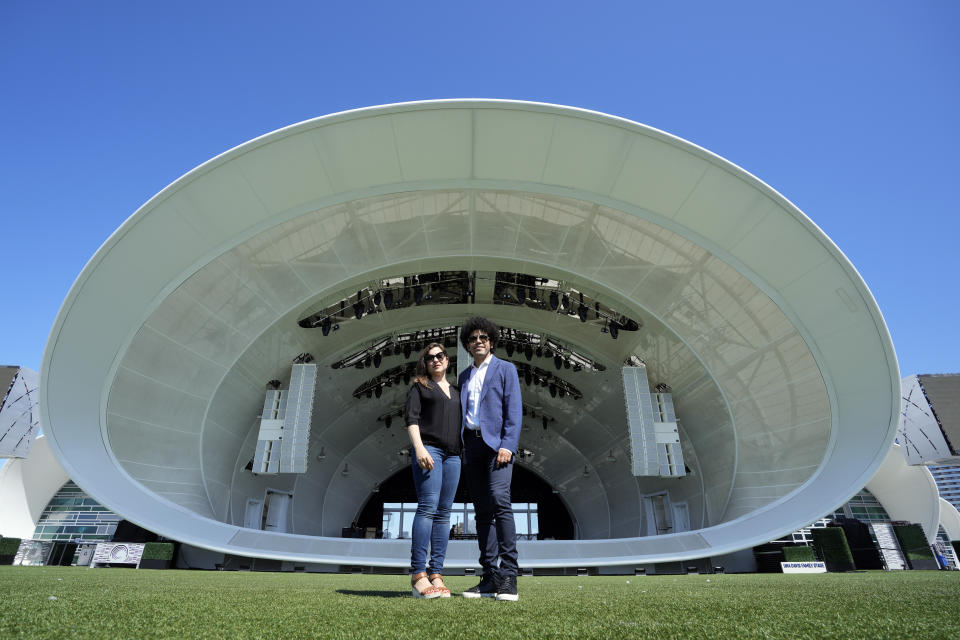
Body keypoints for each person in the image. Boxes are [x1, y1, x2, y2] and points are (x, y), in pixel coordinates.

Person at [458, 317, 523, 601]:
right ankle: (490, 577)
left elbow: (514, 410)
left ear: (492, 342)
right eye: (473, 339)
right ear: (468, 345)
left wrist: (508, 444)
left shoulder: (505, 369)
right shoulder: (463, 376)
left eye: (483, 338)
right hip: (471, 447)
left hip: (498, 447)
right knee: (482, 512)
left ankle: (509, 575)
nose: (478, 342)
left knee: (500, 501)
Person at [405, 342, 461, 599]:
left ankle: (436, 573)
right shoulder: (420, 387)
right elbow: (412, 419)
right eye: (430, 358)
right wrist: (419, 448)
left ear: (447, 360)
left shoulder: (457, 391)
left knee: (444, 513)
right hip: (430, 451)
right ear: (425, 363)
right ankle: (418, 575)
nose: (435, 360)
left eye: (440, 356)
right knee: (428, 507)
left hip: (453, 456)